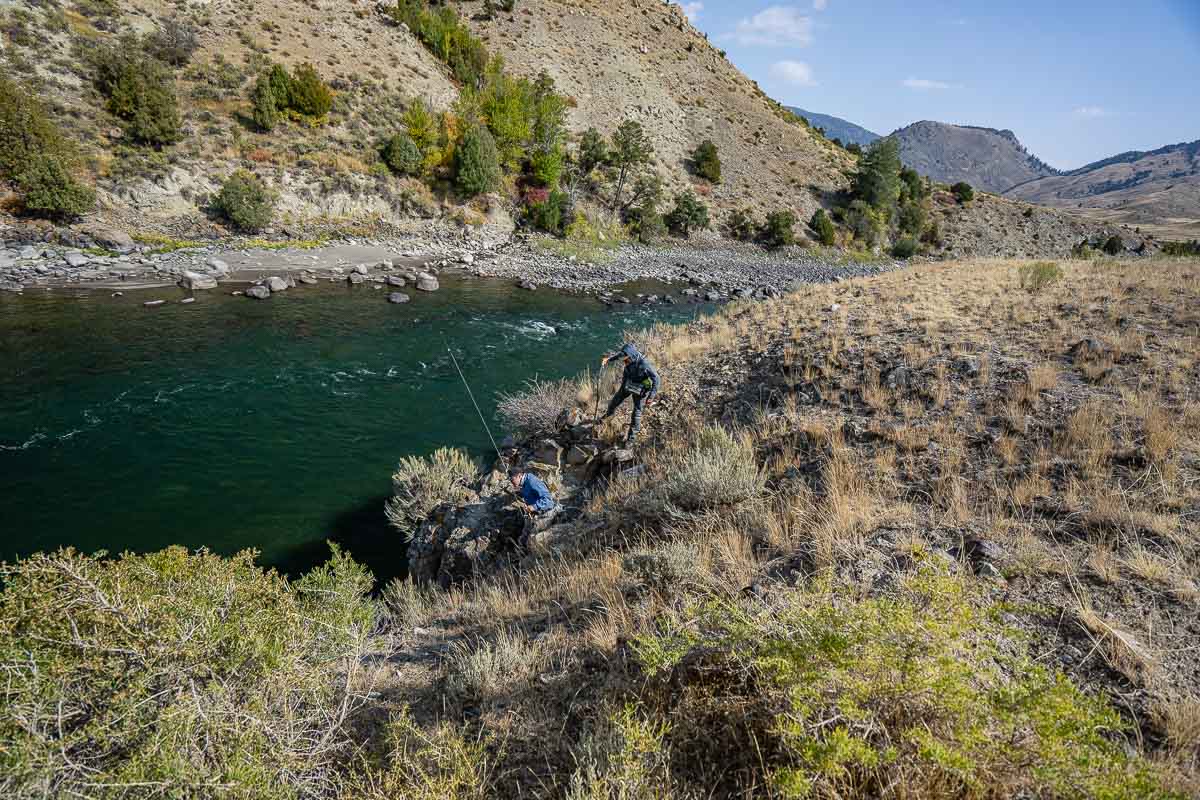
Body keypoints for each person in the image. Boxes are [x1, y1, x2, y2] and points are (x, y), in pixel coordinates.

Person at [599, 342, 660, 445]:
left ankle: (631, 439)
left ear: (631, 356)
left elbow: (656, 379)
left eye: (626, 360)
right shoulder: (625, 354)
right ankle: (607, 417)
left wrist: (651, 396)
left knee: (636, 413)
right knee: (614, 402)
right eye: (624, 360)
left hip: (640, 389)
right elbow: (618, 356)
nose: (625, 362)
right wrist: (608, 360)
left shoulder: (644, 364)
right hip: (627, 384)